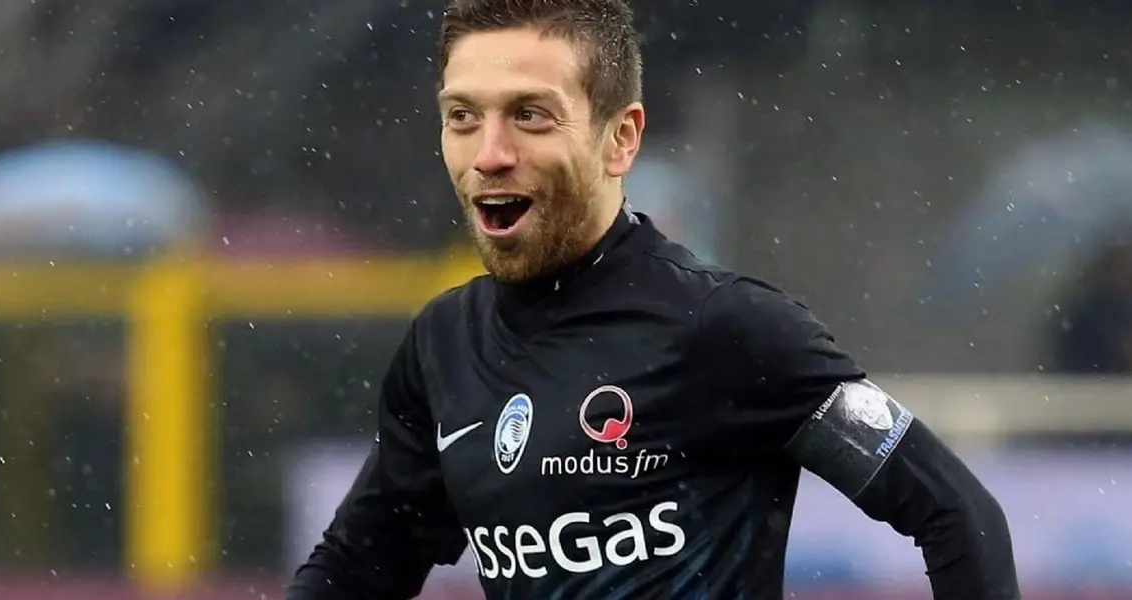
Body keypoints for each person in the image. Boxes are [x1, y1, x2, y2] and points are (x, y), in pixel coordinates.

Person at [286, 1, 1020, 598]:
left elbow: (959, 515)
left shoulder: (723, 327)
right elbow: (358, 569)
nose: (489, 153)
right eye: (463, 116)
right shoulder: (443, 345)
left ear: (620, 139)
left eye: (530, 115)